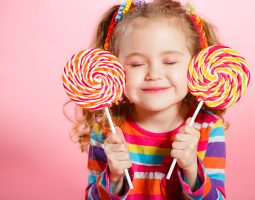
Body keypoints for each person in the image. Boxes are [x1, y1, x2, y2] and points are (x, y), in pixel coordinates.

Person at [64, 0, 227, 199]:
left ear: (196, 63)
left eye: (170, 61)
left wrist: (192, 168)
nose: (154, 74)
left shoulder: (208, 128)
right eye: (136, 64)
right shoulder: (107, 128)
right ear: (114, 67)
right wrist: (114, 178)